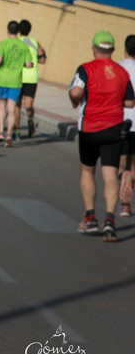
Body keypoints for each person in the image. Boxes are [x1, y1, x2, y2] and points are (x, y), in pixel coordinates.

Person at [69, 30, 134, 242]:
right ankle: (109, 220)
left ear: (93, 48)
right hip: (114, 128)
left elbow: (76, 93)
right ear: (113, 50)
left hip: (89, 128)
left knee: (87, 170)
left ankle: (90, 217)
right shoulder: (122, 73)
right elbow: (129, 103)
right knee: (110, 173)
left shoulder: (85, 69)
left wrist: (74, 100)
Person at [0, 21, 32, 146]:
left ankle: (0, 132)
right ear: (18, 31)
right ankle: (9, 134)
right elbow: (28, 64)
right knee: (12, 107)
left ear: (7, 30)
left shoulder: (2, 43)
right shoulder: (23, 45)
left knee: (2, 104)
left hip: (2, 79)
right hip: (16, 80)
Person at [13, 19, 47, 140]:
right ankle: (30, 121)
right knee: (29, 105)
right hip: (32, 77)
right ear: (29, 30)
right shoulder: (35, 42)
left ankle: (16, 130)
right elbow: (42, 60)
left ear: (18, 30)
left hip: (18, 76)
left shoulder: (16, 42)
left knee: (17, 105)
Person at [118, 35, 135, 216]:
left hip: (121, 121)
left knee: (122, 162)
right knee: (133, 162)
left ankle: (123, 202)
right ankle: (126, 203)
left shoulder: (118, 67)